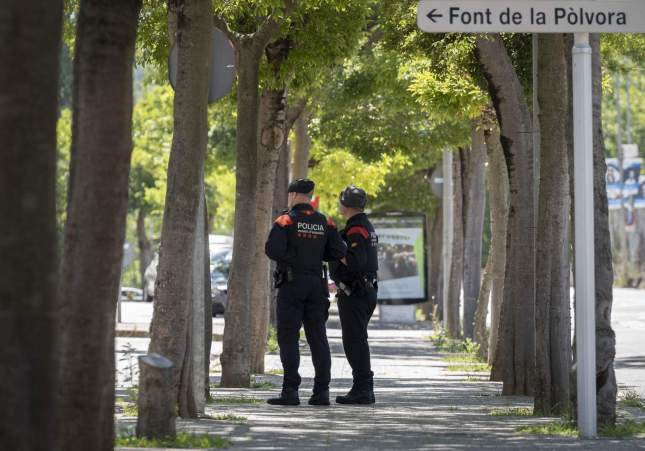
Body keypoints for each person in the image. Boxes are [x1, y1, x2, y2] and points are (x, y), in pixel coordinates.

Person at [265, 178, 347, 406]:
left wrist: (294, 259)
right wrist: (315, 256)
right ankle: (321, 392)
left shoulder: (285, 220)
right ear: (310, 197)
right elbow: (339, 250)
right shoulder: (325, 222)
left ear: (292, 196)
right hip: (317, 285)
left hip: (292, 285)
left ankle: (290, 391)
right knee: (318, 338)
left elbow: (272, 250)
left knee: (289, 337)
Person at [330, 185, 379, 405]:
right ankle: (362, 387)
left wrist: (336, 247)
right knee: (356, 339)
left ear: (345, 204)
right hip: (363, 290)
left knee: (354, 341)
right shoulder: (362, 226)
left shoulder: (357, 229)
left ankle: (363, 389)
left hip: (356, 292)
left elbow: (355, 262)